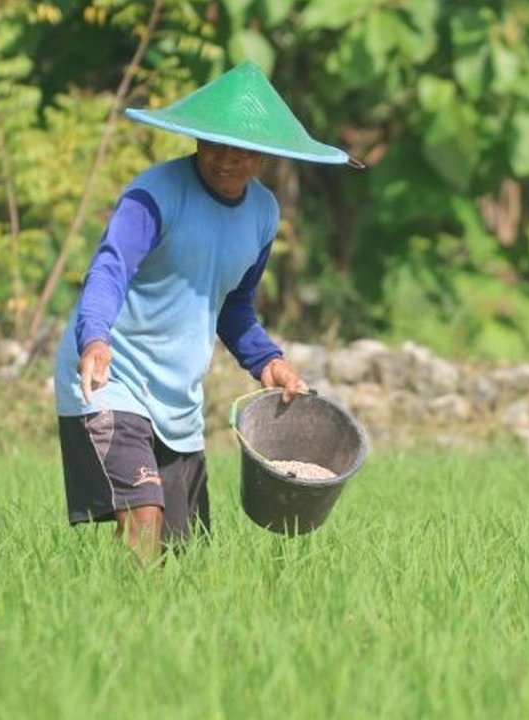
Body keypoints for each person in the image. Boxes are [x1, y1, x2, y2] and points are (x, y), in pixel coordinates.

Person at [53, 61, 356, 560]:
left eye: (241, 149)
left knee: (184, 555)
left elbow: (234, 306)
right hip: (111, 375)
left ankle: (153, 629)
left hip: (177, 397)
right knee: (144, 519)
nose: (225, 159)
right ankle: (126, 630)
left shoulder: (262, 213)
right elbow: (108, 271)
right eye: (214, 143)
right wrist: (94, 339)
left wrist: (268, 362)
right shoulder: (153, 195)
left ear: (263, 155)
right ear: (195, 139)